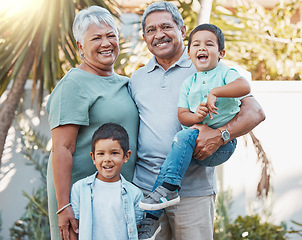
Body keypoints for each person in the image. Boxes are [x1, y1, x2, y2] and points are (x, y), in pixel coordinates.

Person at [128, 1, 265, 240]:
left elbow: (255, 112)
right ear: (144, 37)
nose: (159, 34)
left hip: (194, 192)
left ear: (182, 31)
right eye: (151, 30)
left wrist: (222, 135)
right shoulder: (136, 79)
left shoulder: (205, 65)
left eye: (166, 27)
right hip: (146, 194)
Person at [46, 6, 139, 240]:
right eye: (96, 38)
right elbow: (62, 148)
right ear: (80, 47)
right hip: (82, 200)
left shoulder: (125, 82)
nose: (106, 43)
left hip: (116, 198)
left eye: (111, 36)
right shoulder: (74, 84)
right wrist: (64, 206)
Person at [139, 23, 251, 212]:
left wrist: (216, 92)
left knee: (178, 146)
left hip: (221, 146)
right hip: (193, 146)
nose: (202, 48)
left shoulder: (225, 73)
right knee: (168, 165)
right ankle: (153, 215)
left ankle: (169, 190)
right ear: (189, 53)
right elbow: (183, 116)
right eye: (196, 45)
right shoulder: (189, 83)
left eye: (209, 44)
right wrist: (195, 116)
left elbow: (244, 87)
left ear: (221, 53)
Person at [69, 123, 144, 240]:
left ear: (126, 156)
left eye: (114, 153)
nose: (107, 159)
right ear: (93, 158)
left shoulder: (135, 194)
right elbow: (75, 228)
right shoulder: (80, 189)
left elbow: (137, 228)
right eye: (101, 154)